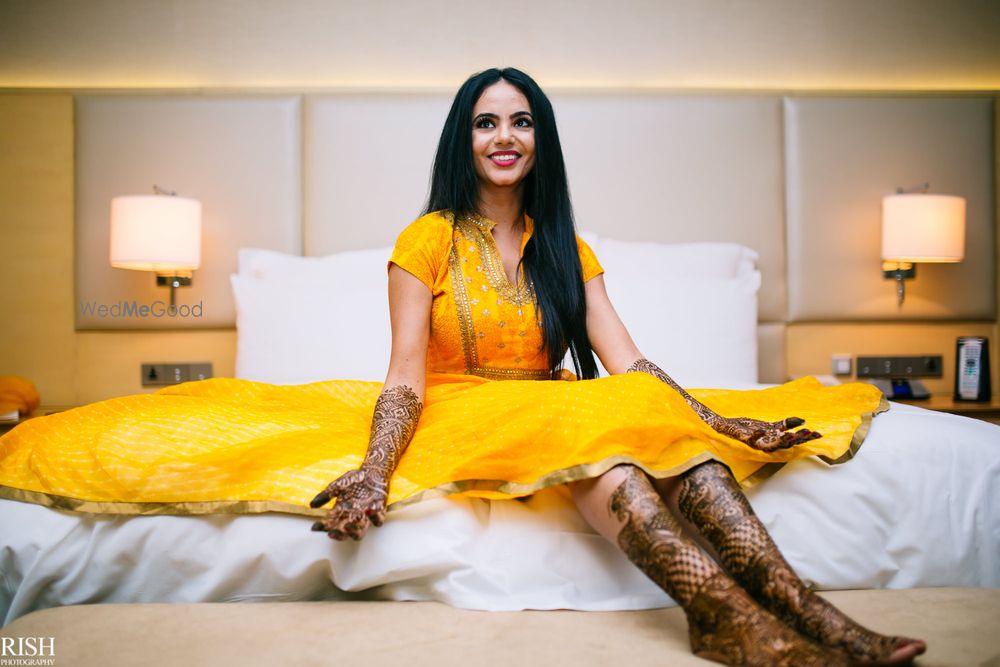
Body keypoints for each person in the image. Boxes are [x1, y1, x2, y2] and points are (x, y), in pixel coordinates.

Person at [308, 68, 926, 666]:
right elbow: (404, 374)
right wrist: (374, 472)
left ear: (540, 139)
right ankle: (721, 614)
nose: (504, 137)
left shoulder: (564, 248)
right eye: (485, 123)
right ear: (461, 141)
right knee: (612, 458)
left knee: (686, 451)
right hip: (462, 412)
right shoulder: (425, 239)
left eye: (521, 122)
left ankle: (807, 613)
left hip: (555, 406)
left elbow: (627, 362)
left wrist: (717, 422)